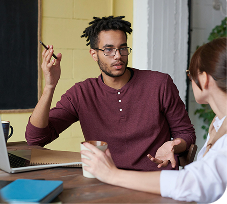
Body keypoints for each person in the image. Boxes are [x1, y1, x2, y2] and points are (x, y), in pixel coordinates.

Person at [26, 16, 195, 171]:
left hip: (154, 181)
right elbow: (36, 138)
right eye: (108, 50)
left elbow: (186, 133)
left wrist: (172, 146)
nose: (118, 56)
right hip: (105, 182)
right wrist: (49, 86)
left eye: (123, 49)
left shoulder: (159, 83)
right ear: (94, 54)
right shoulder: (81, 93)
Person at [80, 37, 227, 203]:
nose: (117, 56)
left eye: (191, 74)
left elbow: (194, 183)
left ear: (205, 79)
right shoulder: (218, 123)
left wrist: (112, 174)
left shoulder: (160, 83)